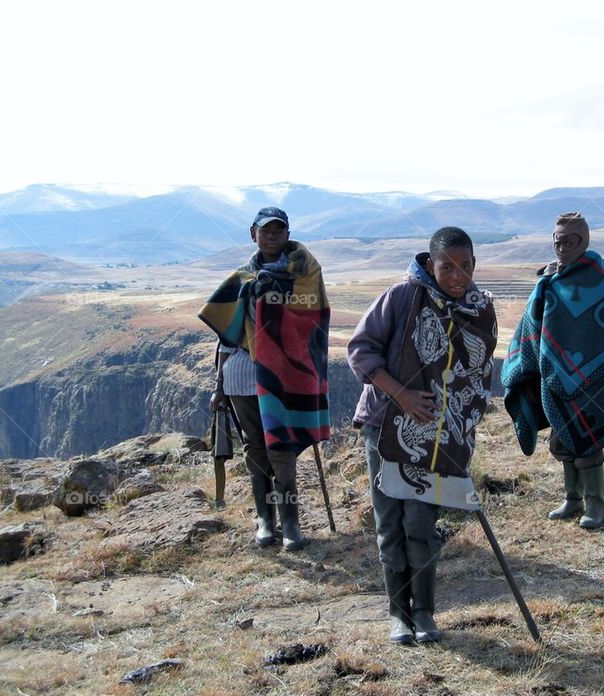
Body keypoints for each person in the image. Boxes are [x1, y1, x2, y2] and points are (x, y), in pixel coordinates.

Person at [347, 226, 497, 644]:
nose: (457, 276)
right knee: (390, 519)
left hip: (439, 435)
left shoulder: (478, 309)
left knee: (422, 521)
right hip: (385, 425)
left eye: (465, 266)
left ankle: (425, 611)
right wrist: (403, 397)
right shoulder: (401, 296)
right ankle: (398, 613)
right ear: (430, 264)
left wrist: (461, 420)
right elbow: (361, 351)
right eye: (447, 266)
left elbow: (478, 372)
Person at [199, 207, 331, 551]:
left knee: (282, 447)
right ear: (253, 233)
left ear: (288, 233)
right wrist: (218, 386)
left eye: (279, 229)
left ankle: (291, 524)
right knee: (256, 447)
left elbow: (313, 324)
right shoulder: (242, 279)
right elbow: (226, 337)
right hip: (243, 377)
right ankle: (264, 520)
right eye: (265, 229)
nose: (272, 235)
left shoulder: (306, 273)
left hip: (286, 377)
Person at [502, 212, 604, 529]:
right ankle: (573, 498)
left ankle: (595, 504)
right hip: (555, 375)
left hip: (592, 376)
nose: (562, 247)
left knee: (587, 441)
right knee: (563, 439)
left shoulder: (595, 275)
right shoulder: (549, 279)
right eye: (558, 241)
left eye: (569, 241)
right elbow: (535, 323)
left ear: (583, 241)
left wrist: (587, 364)